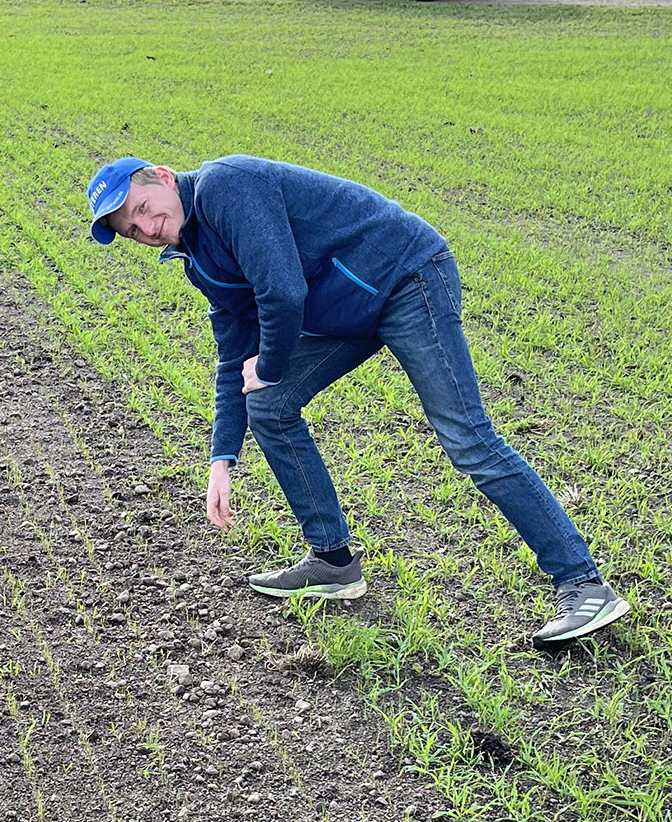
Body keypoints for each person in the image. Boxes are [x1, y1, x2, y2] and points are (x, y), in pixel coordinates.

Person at [87, 154, 631, 647]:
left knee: (468, 439)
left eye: (143, 209)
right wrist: (221, 458)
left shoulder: (226, 186)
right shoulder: (197, 258)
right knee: (270, 406)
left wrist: (270, 367)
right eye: (131, 229)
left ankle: (583, 585)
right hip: (350, 310)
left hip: (405, 277)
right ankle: (333, 561)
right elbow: (234, 354)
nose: (146, 228)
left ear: (163, 177)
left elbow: (282, 292)